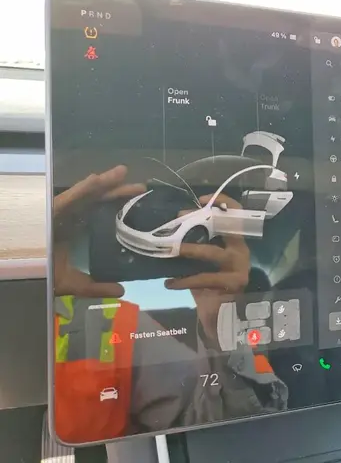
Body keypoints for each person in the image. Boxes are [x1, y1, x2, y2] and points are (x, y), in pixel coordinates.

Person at [52, 165, 287, 444]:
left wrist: (221, 323)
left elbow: (231, 430)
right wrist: (29, 291)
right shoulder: (111, 322)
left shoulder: (117, 325)